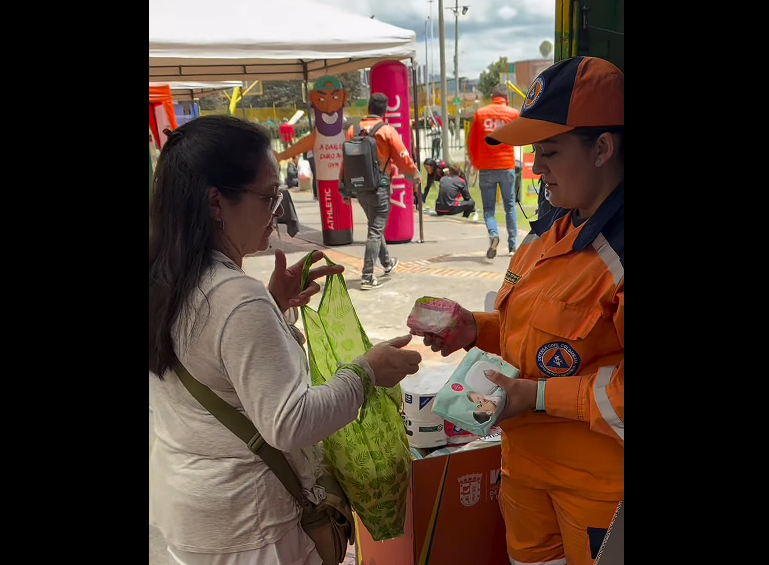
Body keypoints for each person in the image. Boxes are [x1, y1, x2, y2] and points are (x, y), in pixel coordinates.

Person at [149, 115, 423, 565]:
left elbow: (208, 359)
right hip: (250, 528)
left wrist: (274, 307)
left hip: (190, 512)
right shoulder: (236, 297)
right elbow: (291, 423)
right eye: (269, 196)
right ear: (216, 203)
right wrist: (366, 372)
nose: (278, 211)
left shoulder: (167, 277)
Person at [408, 56, 623, 565]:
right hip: (524, 473)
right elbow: (537, 333)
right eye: (534, 153)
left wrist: (539, 396)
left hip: (598, 493)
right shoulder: (551, 227)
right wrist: (474, 330)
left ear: (603, 149)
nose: (536, 168)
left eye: (550, 152)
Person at [340, 92, 419, 291]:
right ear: (385, 112)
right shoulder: (387, 131)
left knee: (374, 225)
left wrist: (343, 187)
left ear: (369, 108)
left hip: (360, 188)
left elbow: (346, 161)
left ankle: (387, 263)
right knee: (375, 230)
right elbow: (403, 158)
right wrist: (414, 177)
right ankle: (367, 276)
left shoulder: (353, 129)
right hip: (379, 188)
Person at [467, 84, 521, 259]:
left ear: (493, 97)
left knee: (489, 209)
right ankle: (512, 246)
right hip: (506, 166)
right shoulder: (513, 114)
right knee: (510, 206)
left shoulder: (481, 114)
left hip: (486, 168)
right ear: (506, 98)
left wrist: (476, 163)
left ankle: (493, 234)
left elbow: (472, 142)